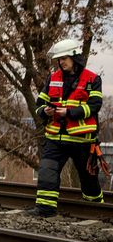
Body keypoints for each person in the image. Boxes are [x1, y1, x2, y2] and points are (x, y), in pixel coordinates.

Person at [28, 38, 104, 218]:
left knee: (89, 179)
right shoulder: (53, 78)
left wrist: (69, 112)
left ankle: (97, 211)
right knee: (47, 172)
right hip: (55, 139)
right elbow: (39, 104)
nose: (61, 62)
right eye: (59, 59)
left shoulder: (93, 79)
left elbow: (94, 106)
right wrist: (45, 111)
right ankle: (45, 210)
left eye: (64, 58)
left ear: (75, 57)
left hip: (82, 140)